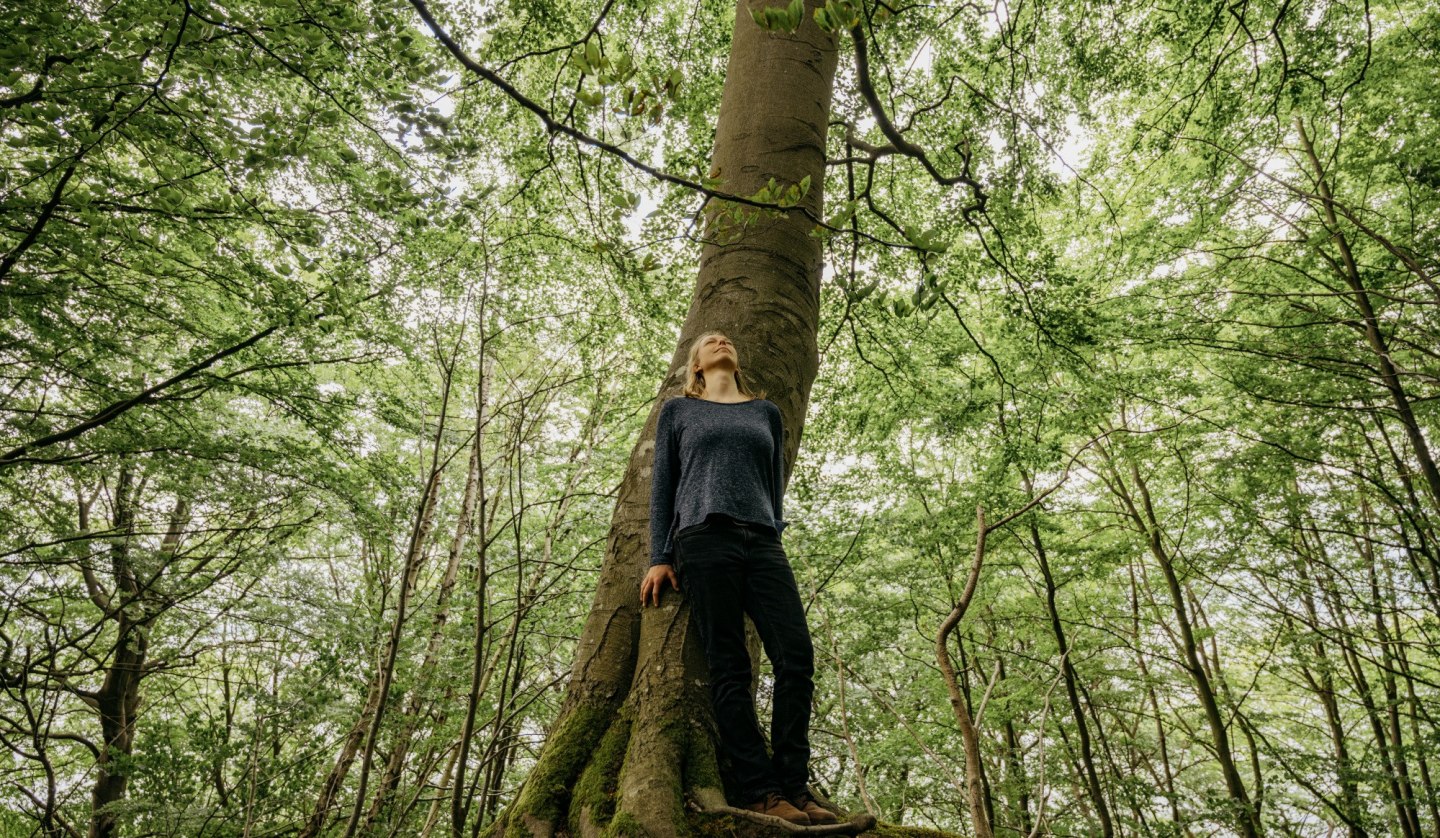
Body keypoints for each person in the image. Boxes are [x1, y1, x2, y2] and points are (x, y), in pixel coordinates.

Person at [640, 331, 837, 826]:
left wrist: (771, 528)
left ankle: (795, 784)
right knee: (730, 666)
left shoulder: (765, 413)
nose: (721, 340)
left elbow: (774, 485)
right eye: (709, 340)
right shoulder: (679, 412)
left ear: (736, 359)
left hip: (763, 542)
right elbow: (664, 483)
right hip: (703, 539)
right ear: (697, 365)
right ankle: (761, 791)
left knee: (796, 658)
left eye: (726, 339)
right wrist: (659, 555)